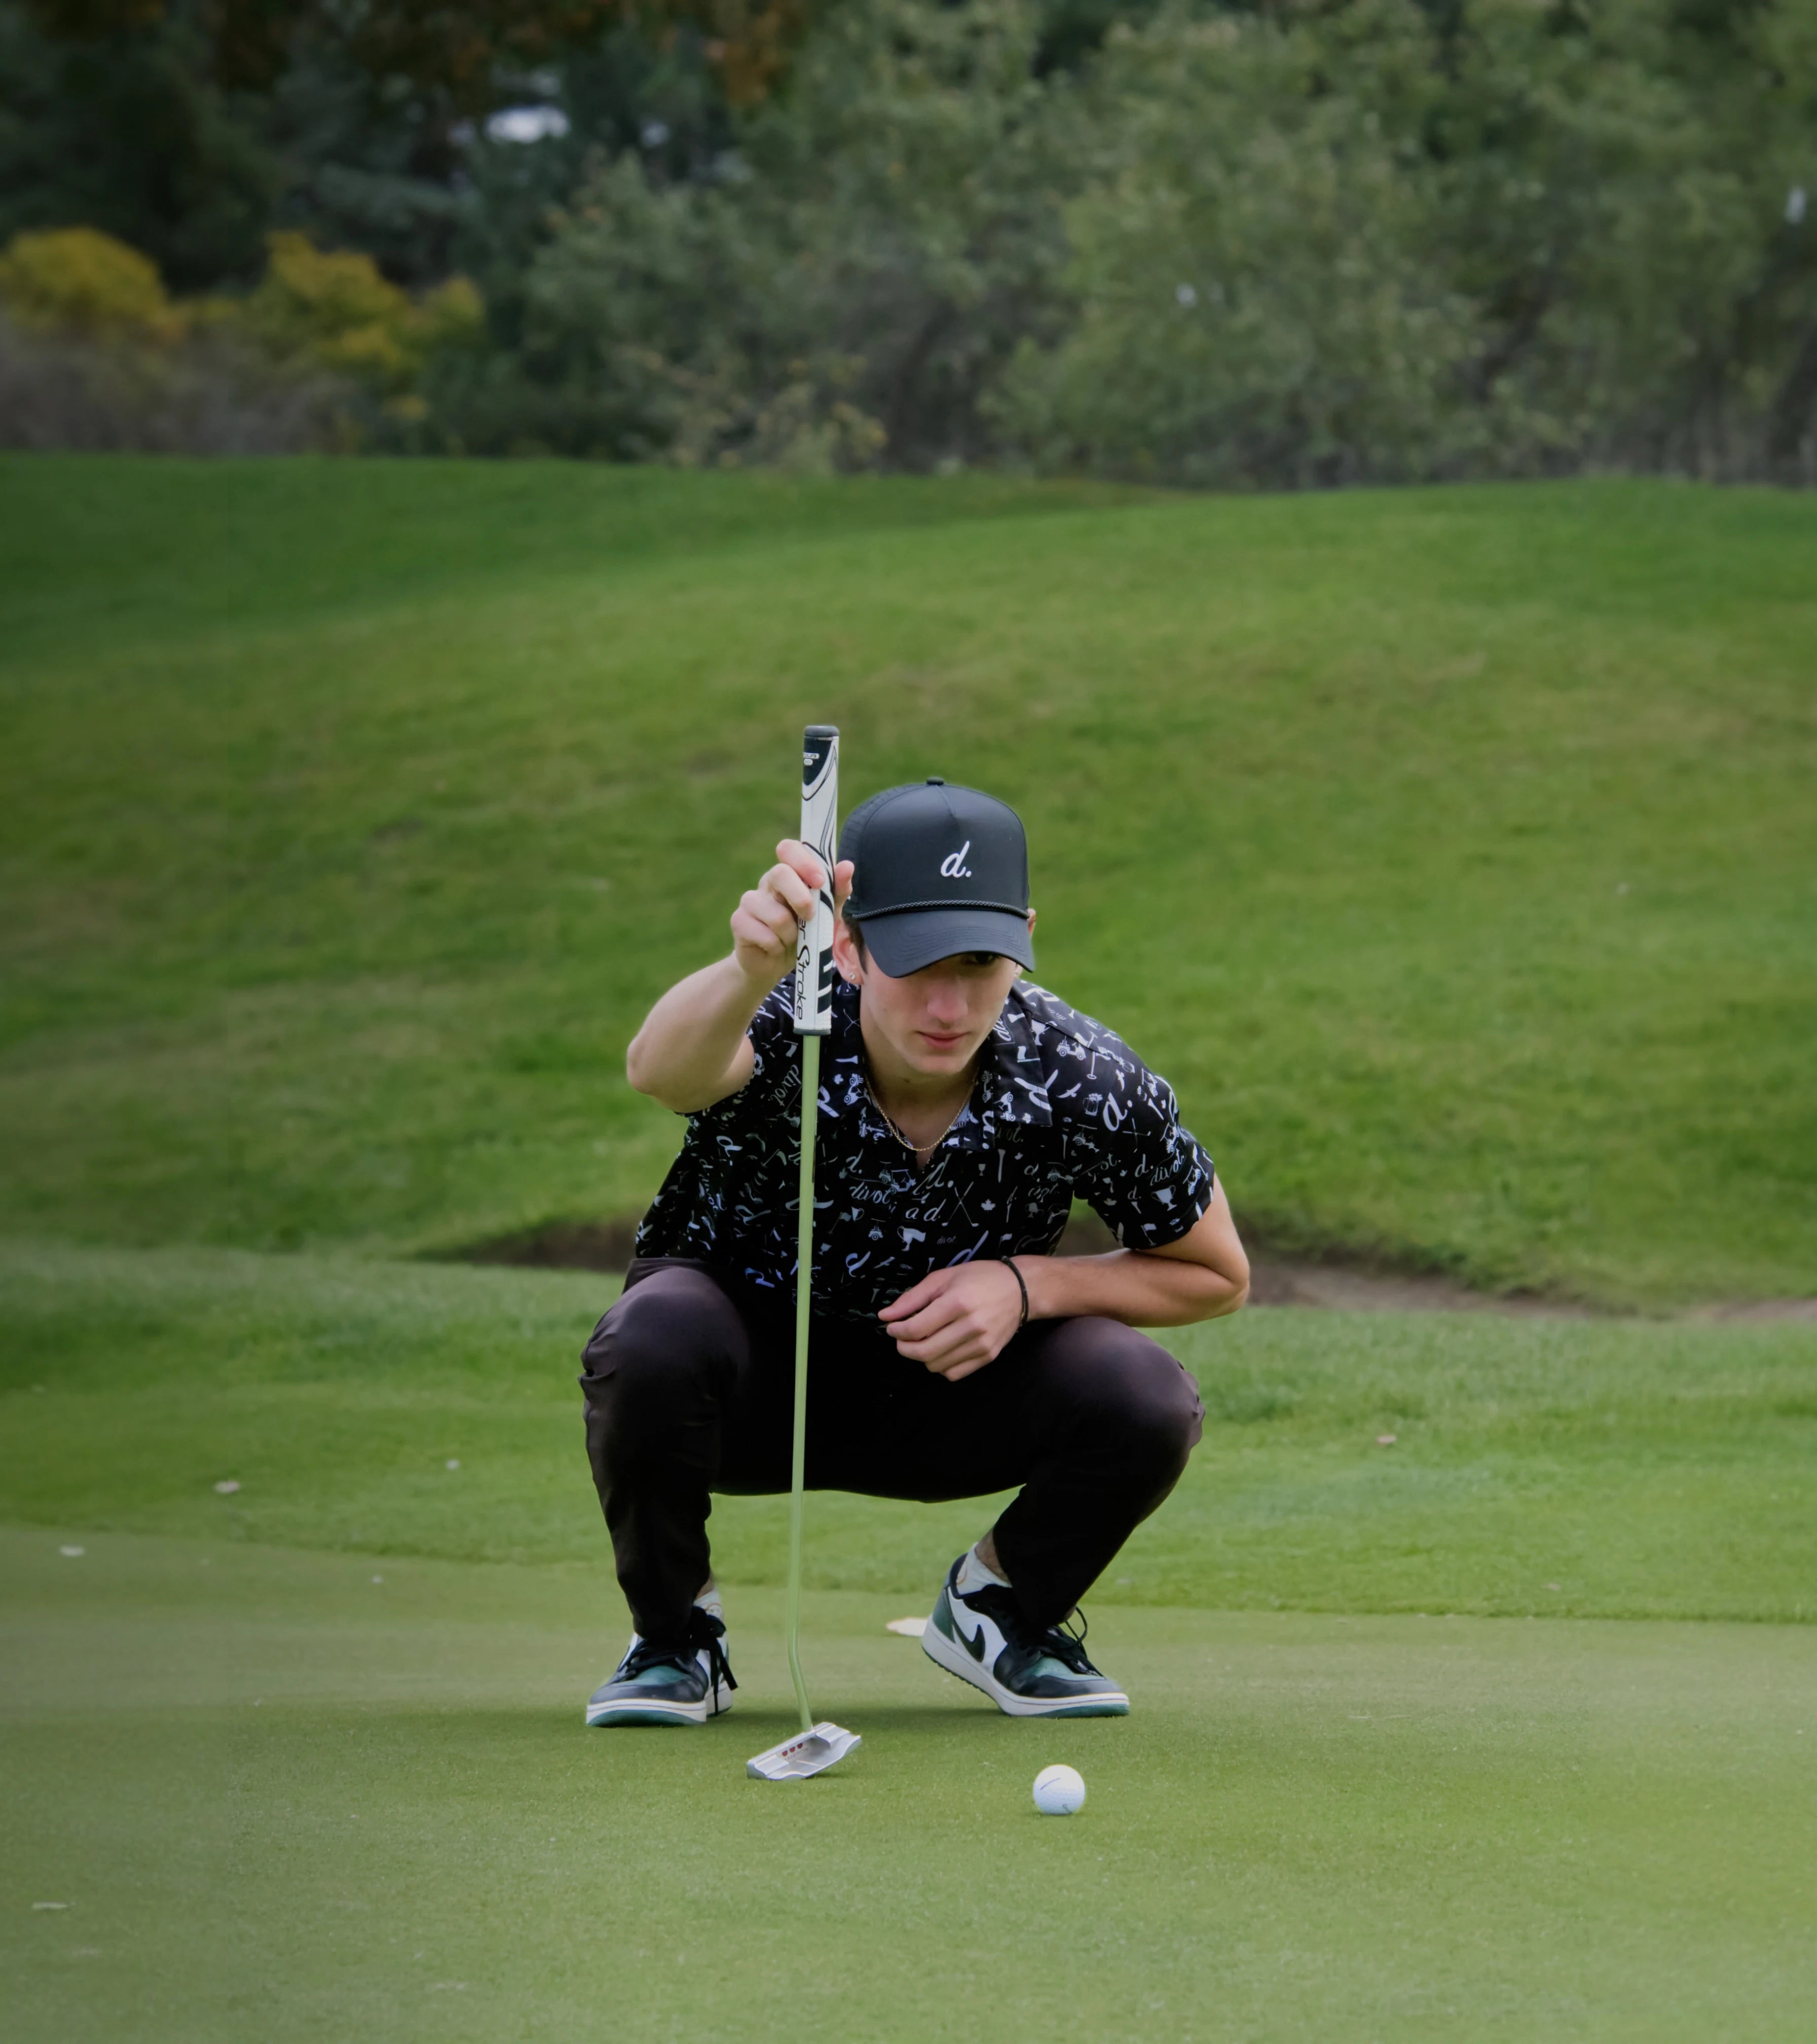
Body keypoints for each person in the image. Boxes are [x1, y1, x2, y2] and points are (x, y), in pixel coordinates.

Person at [580, 777, 1249, 1726]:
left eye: (979, 961)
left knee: (1143, 1397)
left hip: (957, 1389)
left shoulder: (1084, 1077)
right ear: (847, 945)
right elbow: (660, 1071)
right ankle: (675, 1638)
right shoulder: (784, 1018)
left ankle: (1001, 1612)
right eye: (913, 961)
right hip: (747, 1395)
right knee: (651, 1336)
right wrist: (745, 969)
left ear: (1024, 936)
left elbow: (1218, 1274)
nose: (947, 1002)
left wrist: (1027, 1285)